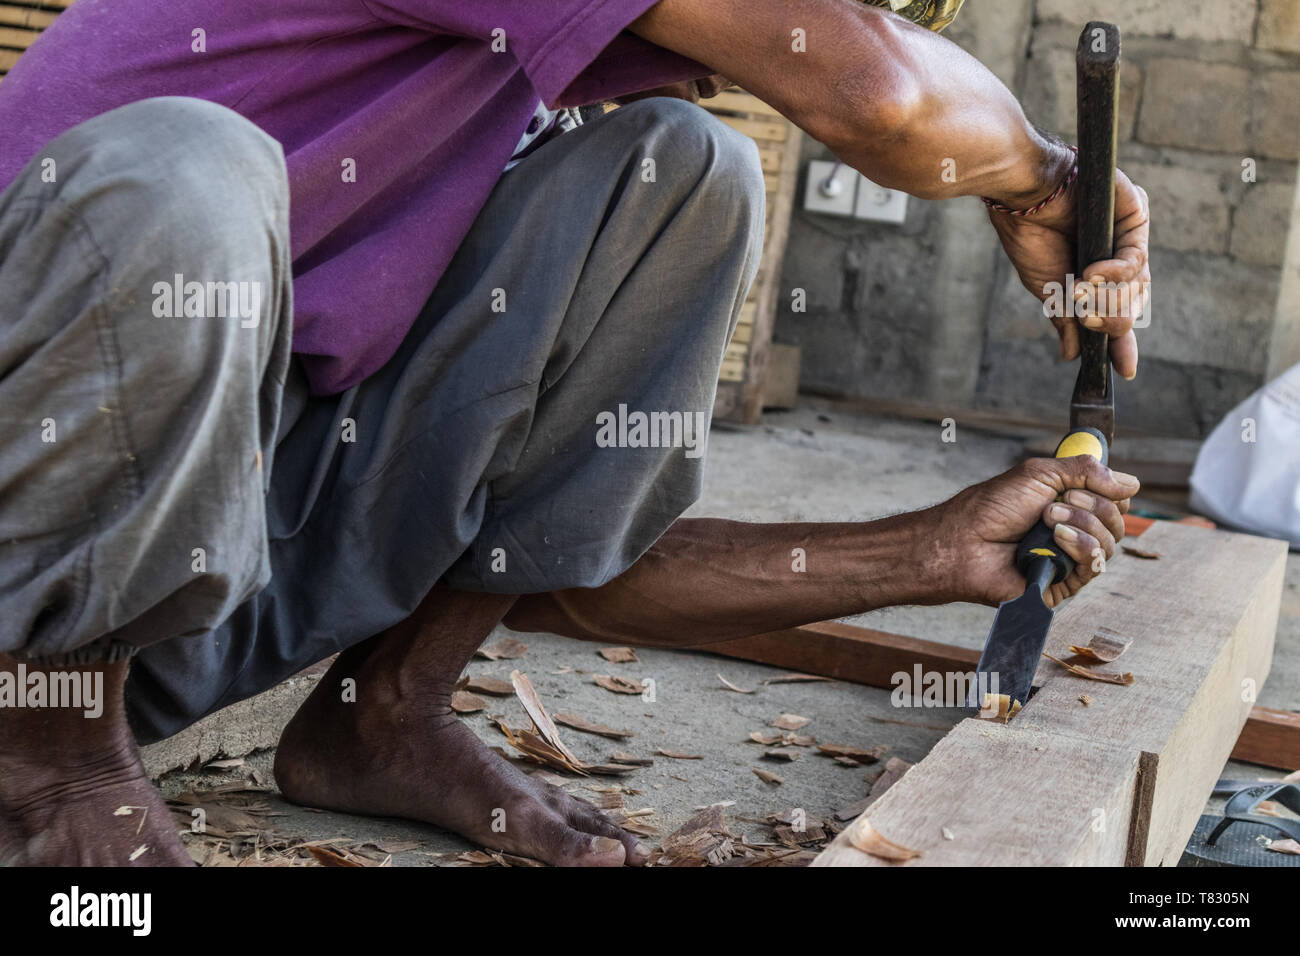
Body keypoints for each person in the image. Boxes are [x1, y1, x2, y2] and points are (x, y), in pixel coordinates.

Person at [0, 0, 1148, 866]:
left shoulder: (523, 70)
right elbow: (881, 99)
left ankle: (384, 709)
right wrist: (1042, 178)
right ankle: (47, 760)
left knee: (688, 169)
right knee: (192, 175)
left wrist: (924, 554)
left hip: (200, 590)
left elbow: (564, 570)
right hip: (23, 560)